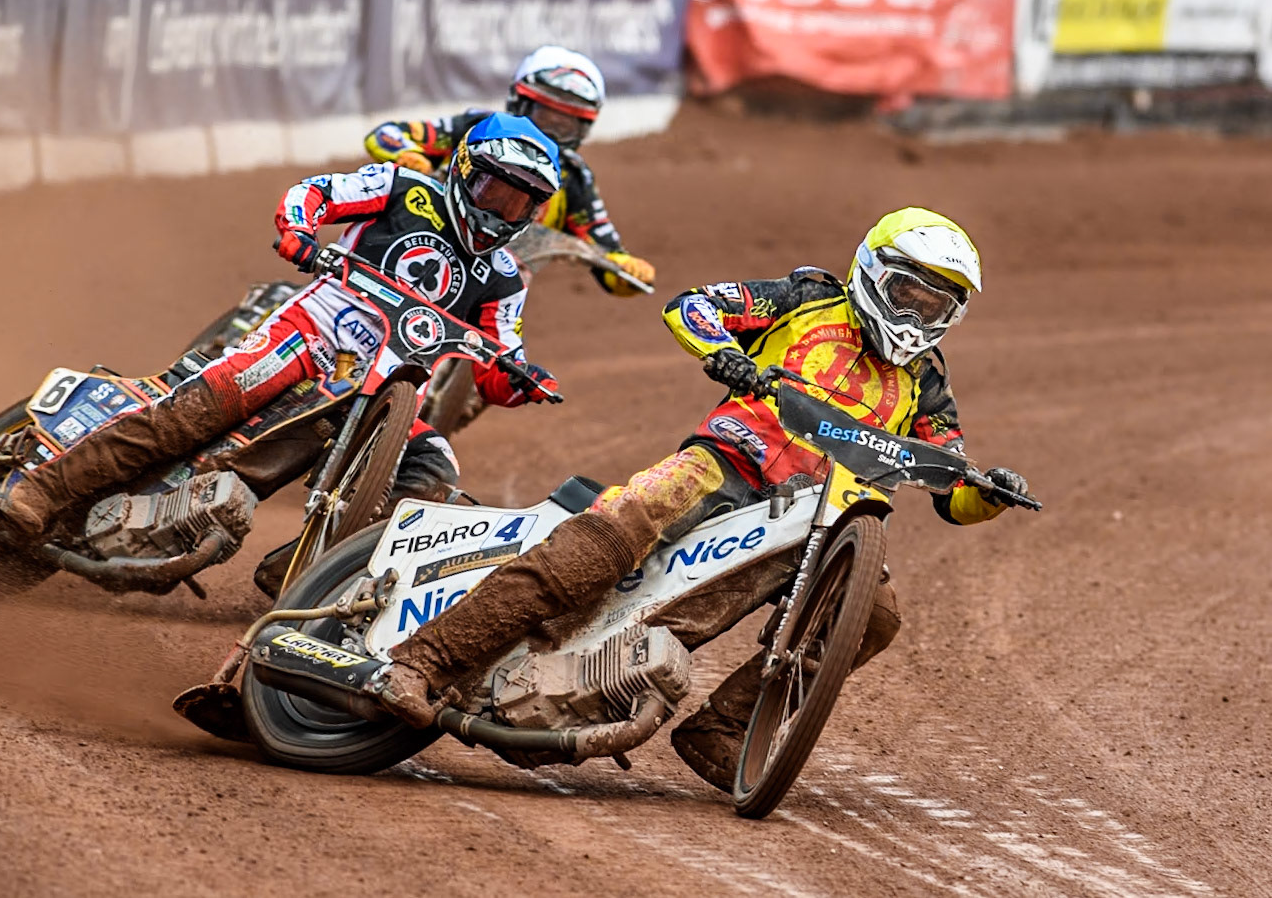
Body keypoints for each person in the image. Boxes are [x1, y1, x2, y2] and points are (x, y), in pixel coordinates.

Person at [377, 208, 1033, 793]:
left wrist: (990, 491)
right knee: (617, 532)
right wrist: (724, 354)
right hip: (730, 462)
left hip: (823, 520)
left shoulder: (927, 383)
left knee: (876, 613)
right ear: (871, 272)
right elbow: (693, 305)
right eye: (907, 294)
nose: (917, 316)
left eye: (935, 305)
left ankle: (722, 730)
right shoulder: (807, 299)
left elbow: (952, 484)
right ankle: (424, 657)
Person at [0, 113, 564, 545]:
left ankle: (315, 576)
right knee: (192, 417)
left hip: (389, 392)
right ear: (467, 170)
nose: (503, 212)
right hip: (310, 338)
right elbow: (315, 193)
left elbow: (501, 359)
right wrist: (299, 232)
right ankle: (41, 490)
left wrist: (523, 380)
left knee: (434, 468)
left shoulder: (505, 279)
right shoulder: (400, 190)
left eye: (522, 204)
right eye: (498, 191)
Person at [364, 45, 656, 298]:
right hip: (413, 246)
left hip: (489, 291)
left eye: (564, 126)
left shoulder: (574, 179)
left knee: (504, 359)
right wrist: (407, 155)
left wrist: (628, 269)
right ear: (519, 102)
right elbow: (386, 135)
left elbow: (607, 255)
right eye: (544, 118)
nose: (548, 133)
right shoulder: (479, 130)